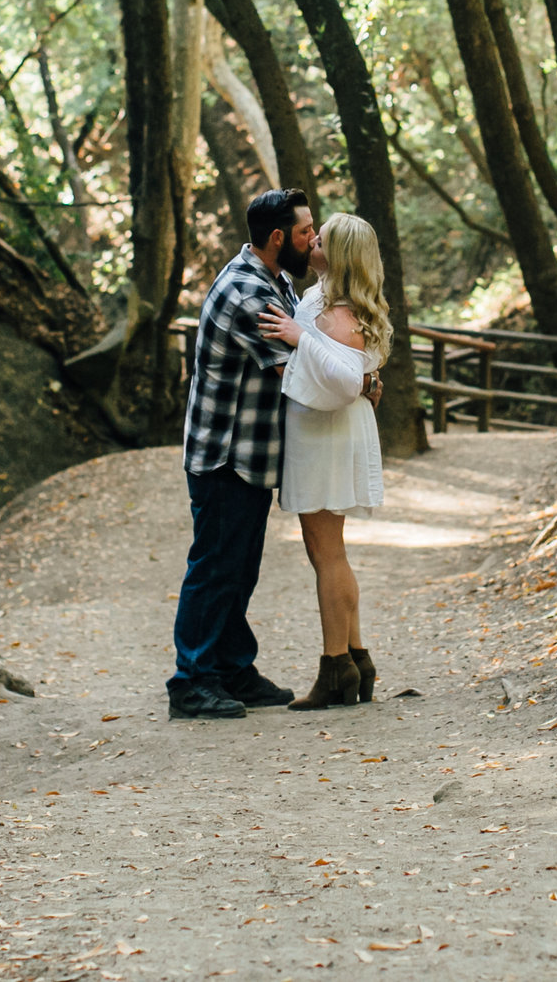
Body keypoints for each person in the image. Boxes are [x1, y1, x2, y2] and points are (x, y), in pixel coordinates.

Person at [169, 188, 314, 720]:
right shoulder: (246, 293)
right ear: (278, 238)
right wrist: (358, 378)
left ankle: (232, 668)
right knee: (214, 567)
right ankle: (191, 681)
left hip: (249, 456)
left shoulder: (274, 281)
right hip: (225, 455)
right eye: (305, 233)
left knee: (239, 567)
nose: (312, 240)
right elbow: (295, 374)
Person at [256, 213, 388, 710]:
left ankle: (336, 667)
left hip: (326, 433)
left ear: (338, 255)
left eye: (321, 238)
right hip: (325, 431)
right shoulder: (328, 299)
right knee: (329, 549)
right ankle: (356, 656)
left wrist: (296, 336)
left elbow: (345, 377)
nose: (312, 241)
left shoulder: (340, 314)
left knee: (326, 550)